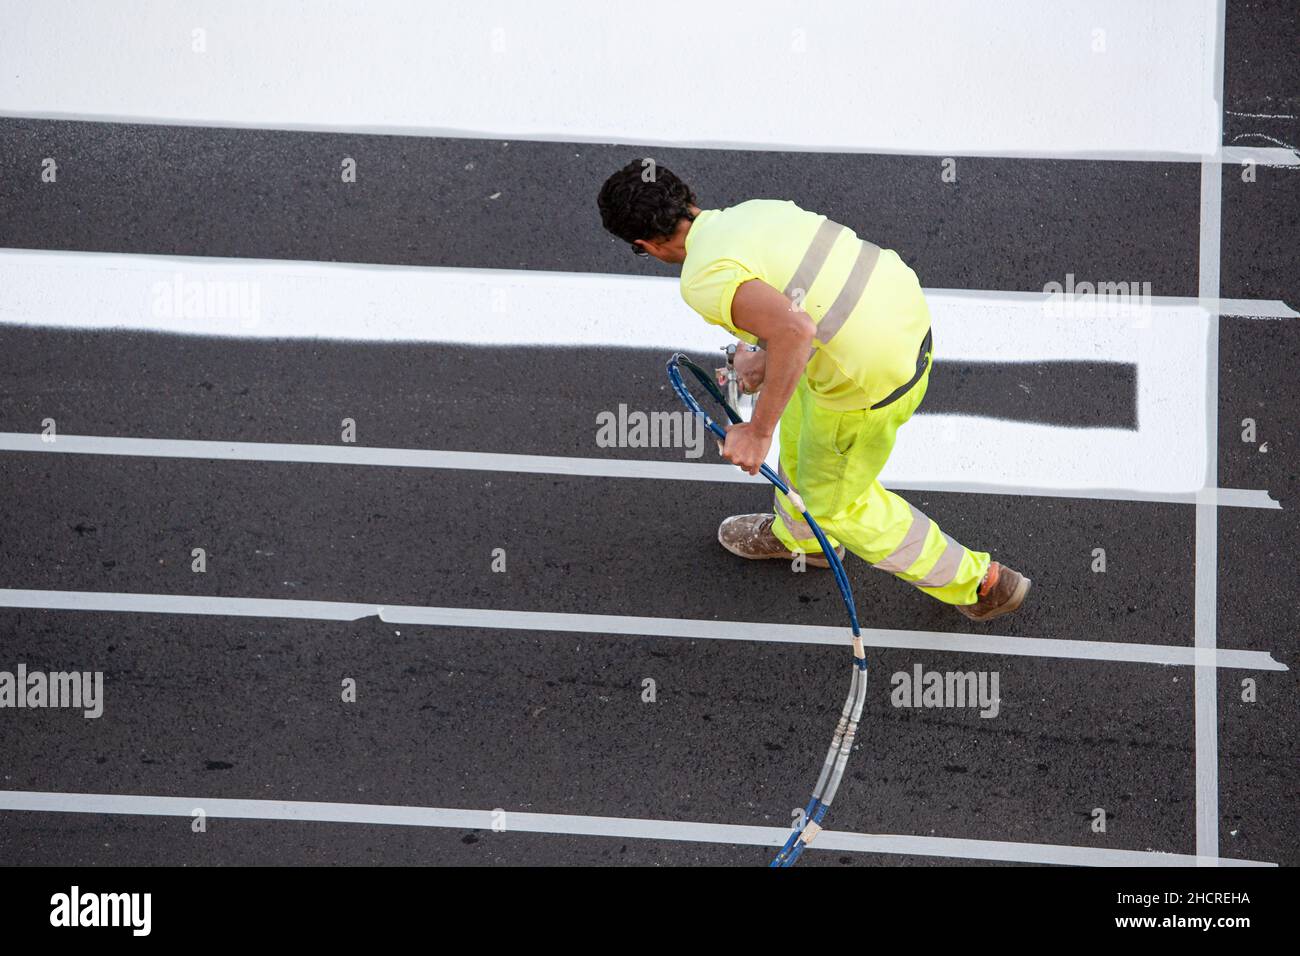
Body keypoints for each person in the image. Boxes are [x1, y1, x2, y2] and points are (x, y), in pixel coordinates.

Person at [596, 160, 1030, 621]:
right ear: (686, 197)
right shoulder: (753, 211)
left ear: (644, 244)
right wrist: (765, 361)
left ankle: (979, 582)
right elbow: (810, 303)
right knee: (802, 427)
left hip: (866, 381)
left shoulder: (702, 278)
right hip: (903, 322)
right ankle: (804, 540)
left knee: (839, 504)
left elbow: (795, 329)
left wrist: (757, 432)